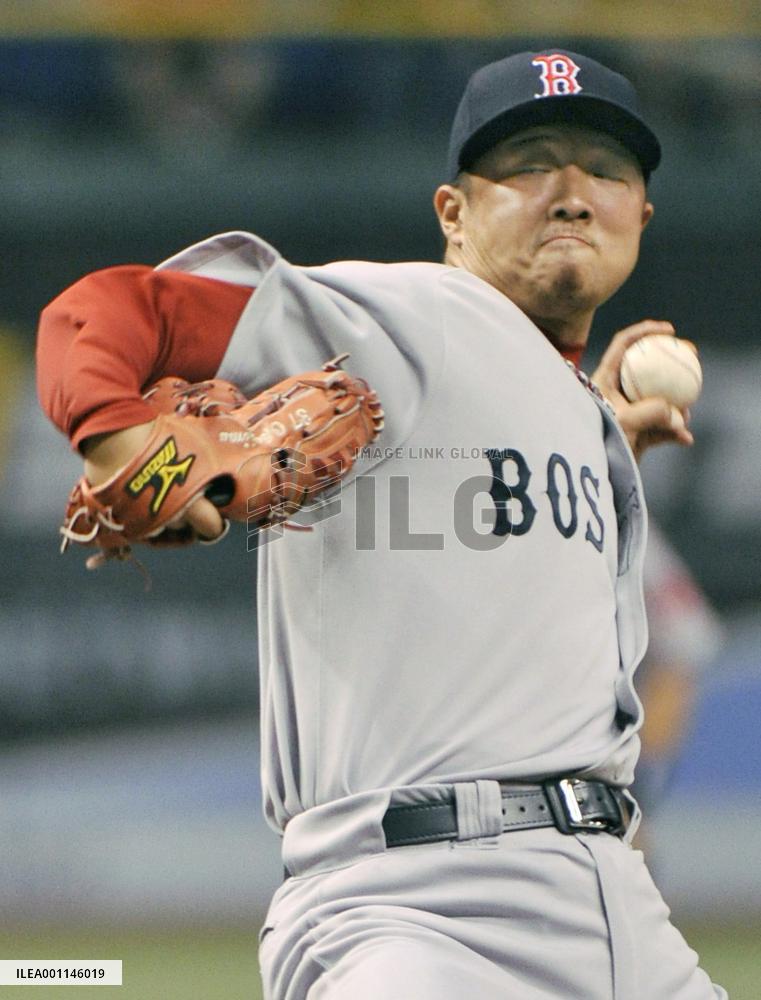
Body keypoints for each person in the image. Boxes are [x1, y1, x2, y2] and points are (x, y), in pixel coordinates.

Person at [36, 49, 725, 999]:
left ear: (639, 217)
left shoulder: (574, 411)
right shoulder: (408, 315)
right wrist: (133, 452)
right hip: (420, 909)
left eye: (605, 172)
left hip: (619, 905)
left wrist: (595, 434)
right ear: (453, 214)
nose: (572, 195)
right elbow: (98, 316)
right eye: (530, 163)